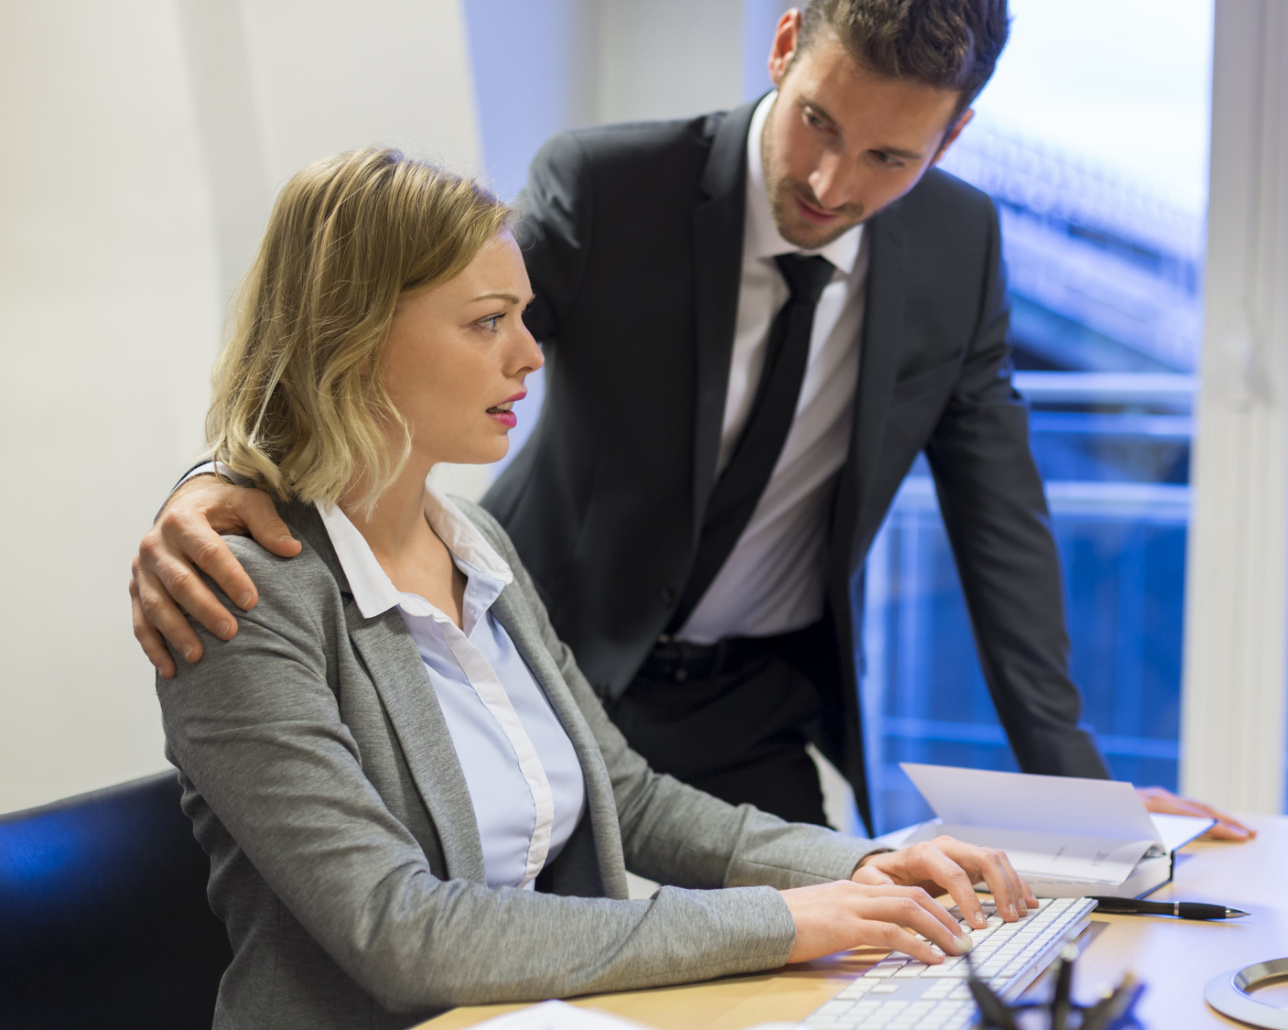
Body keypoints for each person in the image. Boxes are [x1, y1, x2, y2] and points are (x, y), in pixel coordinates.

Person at [133, 0, 1252, 839]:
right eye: (817, 119)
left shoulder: (960, 253)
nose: (827, 178)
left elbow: (1002, 529)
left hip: (754, 707)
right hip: (548, 671)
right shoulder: (613, 186)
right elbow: (407, 340)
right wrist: (213, 478)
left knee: (835, 963)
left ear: (952, 141)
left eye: (888, 158)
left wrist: (1084, 802)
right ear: (784, 43)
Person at [164, 146, 1037, 1029]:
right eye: (486, 322)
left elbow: (627, 795)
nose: (528, 356)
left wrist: (850, 868)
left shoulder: (475, 541)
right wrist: (779, 921)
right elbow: (404, 934)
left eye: (524, 317)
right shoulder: (247, 592)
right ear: (353, 334)